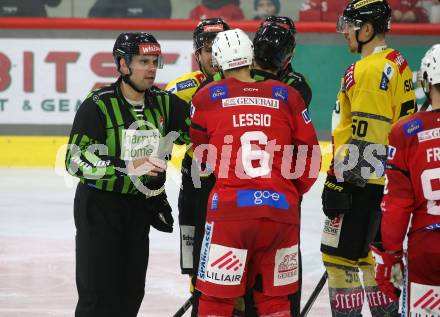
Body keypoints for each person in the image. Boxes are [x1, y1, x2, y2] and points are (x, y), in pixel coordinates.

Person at [190, 28, 321, 317]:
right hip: (280, 212)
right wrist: (287, 191)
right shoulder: (287, 95)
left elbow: (202, 158)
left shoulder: (208, 96)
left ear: (220, 62)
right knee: (275, 303)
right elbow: (311, 158)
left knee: (216, 301)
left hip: (230, 214)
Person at [65, 32, 190, 317]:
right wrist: (127, 167)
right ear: (122, 65)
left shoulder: (164, 103)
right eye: (142, 61)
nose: (151, 68)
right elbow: (75, 160)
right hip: (99, 208)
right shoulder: (98, 104)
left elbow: (200, 131)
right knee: (97, 294)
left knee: (131, 293)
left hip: (138, 209)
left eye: (155, 61)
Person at [320, 0, 417, 316]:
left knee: (339, 260)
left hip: (366, 185)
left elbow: (369, 138)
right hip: (386, 183)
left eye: (351, 25)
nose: (345, 31)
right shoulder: (396, 61)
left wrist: (343, 186)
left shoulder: (370, 69)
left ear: (368, 29)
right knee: (371, 261)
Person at [370, 44, 440, 317]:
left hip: (427, 248)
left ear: (425, 81)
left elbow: (397, 204)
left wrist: (391, 254)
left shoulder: (407, 131)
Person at [88, 0, 171, 18]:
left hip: (151, 37)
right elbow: (94, 15)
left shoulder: (160, 2)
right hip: (114, 36)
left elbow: (164, 17)